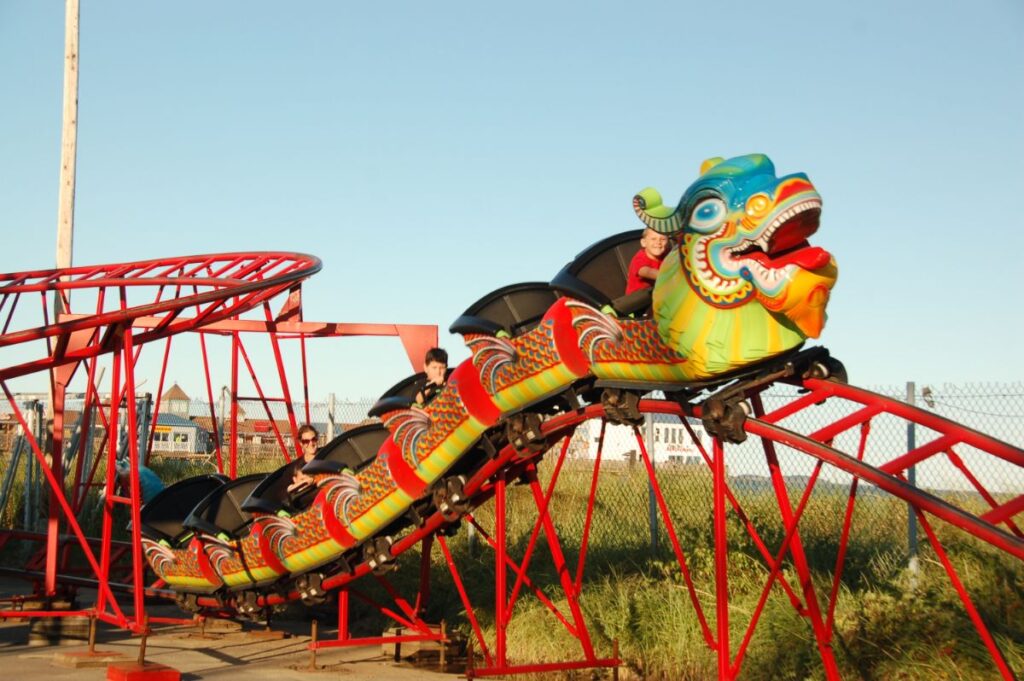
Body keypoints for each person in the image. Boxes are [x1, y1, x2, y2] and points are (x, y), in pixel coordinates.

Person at [625, 228, 670, 295]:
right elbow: (647, 272)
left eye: (663, 239)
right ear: (644, 243)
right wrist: (671, 275)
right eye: (653, 239)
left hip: (659, 293)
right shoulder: (639, 259)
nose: (658, 242)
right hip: (639, 300)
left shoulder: (667, 254)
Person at [287, 423, 320, 493]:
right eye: (306, 441)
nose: (311, 443)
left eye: (313, 439)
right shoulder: (295, 466)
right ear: (301, 443)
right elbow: (285, 489)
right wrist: (304, 482)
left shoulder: (326, 457)